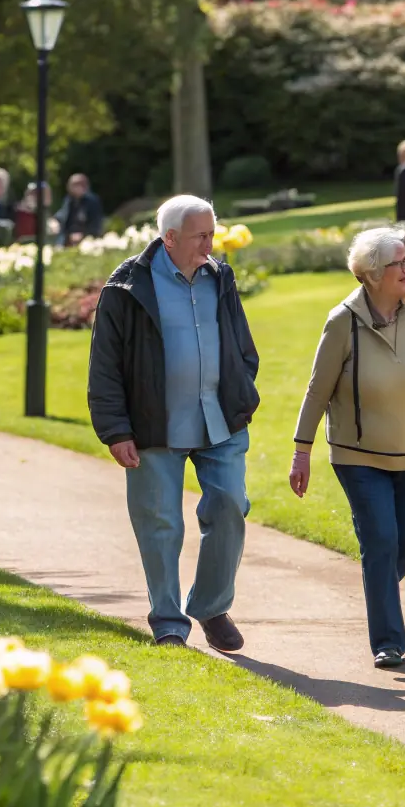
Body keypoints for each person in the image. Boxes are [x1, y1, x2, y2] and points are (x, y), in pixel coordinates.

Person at [288, 227, 405, 668]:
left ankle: (378, 588)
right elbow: (317, 390)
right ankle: (388, 640)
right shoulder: (342, 322)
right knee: (382, 539)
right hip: (359, 456)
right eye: (398, 263)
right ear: (371, 274)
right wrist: (302, 449)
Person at [88, 194, 260, 652]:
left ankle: (210, 606)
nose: (210, 244)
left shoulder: (219, 277)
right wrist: (116, 430)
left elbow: (241, 342)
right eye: (201, 236)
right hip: (153, 424)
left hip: (220, 419)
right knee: (160, 523)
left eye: (212, 233)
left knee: (229, 506)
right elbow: (104, 365)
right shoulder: (125, 286)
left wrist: (243, 385)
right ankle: (168, 620)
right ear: (170, 238)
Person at [54, 173, 105, 245]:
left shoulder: (92, 201)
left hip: (87, 240)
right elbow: (63, 214)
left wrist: (83, 235)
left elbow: (96, 223)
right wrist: (55, 220)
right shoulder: (69, 200)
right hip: (67, 239)